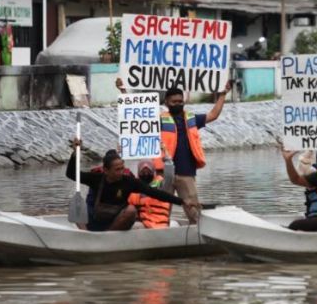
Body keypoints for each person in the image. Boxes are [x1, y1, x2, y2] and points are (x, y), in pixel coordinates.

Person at [66, 139, 198, 232]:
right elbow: (71, 174)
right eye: (117, 169)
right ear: (105, 170)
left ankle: (108, 236)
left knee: (131, 210)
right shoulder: (95, 178)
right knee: (76, 205)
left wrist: (182, 201)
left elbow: (156, 193)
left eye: (122, 168)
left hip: (116, 223)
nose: (121, 171)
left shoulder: (129, 181)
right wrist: (75, 153)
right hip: (95, 219)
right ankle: (85, 234)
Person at [155, 83, 231, 224]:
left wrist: (223, 94)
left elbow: (213, 115)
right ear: (166, 103)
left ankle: (197, 233)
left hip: (186, 171)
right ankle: (160, 232)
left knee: (194, 210)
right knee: (161, 210)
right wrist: (123, 91)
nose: (178, 104)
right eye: (174, 102)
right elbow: (137, 117)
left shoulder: (191, 119)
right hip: (163, 172)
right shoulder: (157, 120)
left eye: (180, 101)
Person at [127, 160, 171, 229]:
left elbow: (169, 177)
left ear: (153, 172)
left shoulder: (160, 184)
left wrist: (168, 161)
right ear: (139, 173)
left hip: (161, 223)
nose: (146, 174)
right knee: (135, 225)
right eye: (143, 172)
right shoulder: (134, 187)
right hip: (145, 223)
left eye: (149, 171)